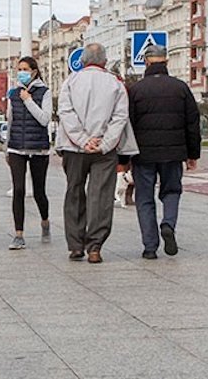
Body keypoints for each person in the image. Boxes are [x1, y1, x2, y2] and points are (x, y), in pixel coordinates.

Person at [56, 43, 137, 264]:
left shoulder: (70, 81)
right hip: (105, 150)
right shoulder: (116, 84)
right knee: (100, 196)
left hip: (74, 148)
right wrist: (104, 142)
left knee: (74, 192)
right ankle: (95, 247)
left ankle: (75, 245)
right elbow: (120, 116)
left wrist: (82, 139)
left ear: (82, 60)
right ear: (104, 61)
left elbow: (65, 112)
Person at [127, 44, 201, 260]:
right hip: (174, 152)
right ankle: (168, 223)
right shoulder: (180, 88)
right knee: (172, 191)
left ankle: (150, 246)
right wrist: (192, 154)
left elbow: (128, 124)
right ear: (166, 62)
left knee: (144, 198)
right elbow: (192, 122)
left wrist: (124, 157)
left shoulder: (136, 90)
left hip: (143, 154)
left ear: (147, 62)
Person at [4, 56, 52, 250]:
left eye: (25, 69)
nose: (21, 72)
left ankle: (45, 221)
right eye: (19, 69)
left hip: (38, 148)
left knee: (39, 191)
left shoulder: (44, 92)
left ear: (34, 71)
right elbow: (11, 121)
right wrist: (7, 147)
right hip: (17, 147)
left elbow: (44, 119)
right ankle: (18, 234)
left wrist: (30, 101)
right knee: (19, 190)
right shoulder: (13, 93)